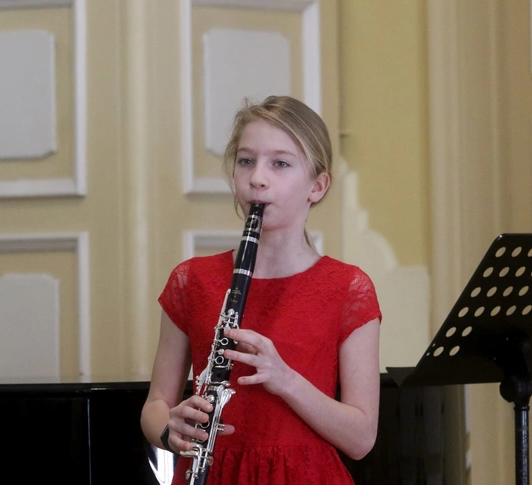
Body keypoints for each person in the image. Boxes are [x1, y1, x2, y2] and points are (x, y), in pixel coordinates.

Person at [141, 95, 382, 485]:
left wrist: (285, 379)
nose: (257, 178)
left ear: (317, 186)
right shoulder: (192, 279)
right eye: (246, 161)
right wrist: (169, 431)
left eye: (280, 164)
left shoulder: (348, 288)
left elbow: (362, 439)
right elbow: (156, 404)